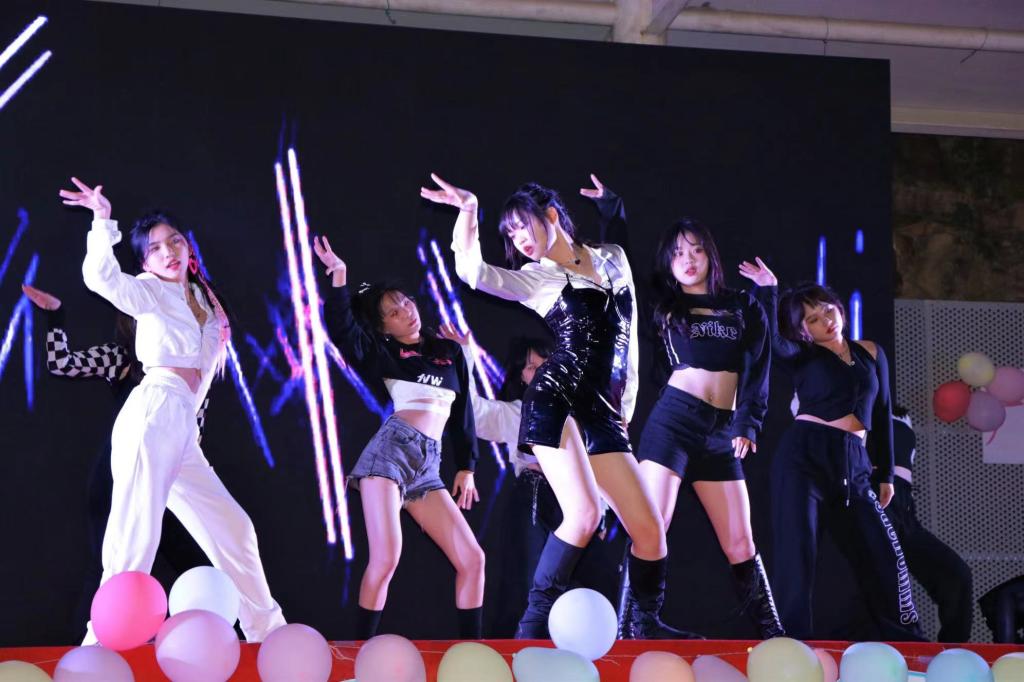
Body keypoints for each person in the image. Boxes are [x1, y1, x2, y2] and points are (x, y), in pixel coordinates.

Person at [423, 173, 685, 639]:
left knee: (650, 531)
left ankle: (644, 627)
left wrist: (624, 406)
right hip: (555, 398)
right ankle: (528, 631)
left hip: (603, 410)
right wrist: (468, 211)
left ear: (549, 215)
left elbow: (628, 346)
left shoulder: (613, 258)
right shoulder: (537, 279)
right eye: (510, 235)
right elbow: (474, 273)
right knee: (583, 516)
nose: (518, 240)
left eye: (521, 226)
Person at [60, 177, 285, 643]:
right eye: (156, 248)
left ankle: (268, 633)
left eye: (175, 241)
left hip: (182, 427)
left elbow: (205, 367)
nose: (168, 252)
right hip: (153, 413)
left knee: (234, 529)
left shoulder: (203, 299)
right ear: (145, 262)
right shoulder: (149, 291)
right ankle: (99, 643)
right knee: (135, 537)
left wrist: (188, 428)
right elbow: (102, 279)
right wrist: (102, 221)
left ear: (188, 246)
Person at [739, 257, 922, 640]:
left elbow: (883, 412)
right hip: (804, 456)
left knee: (883, 552)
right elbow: (771, 341)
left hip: (855, 462)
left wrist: (886, 474)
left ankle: (906, 639)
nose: (826, 320)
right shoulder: (802, 355)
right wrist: (769, 290)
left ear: (838, 307)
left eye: (827, 310)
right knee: (798, 554)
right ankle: (792, 643)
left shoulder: (871, 352)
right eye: (813, 319)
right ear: (802, 329)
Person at [314, 235, 485, 640]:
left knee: (473, 560)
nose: (405, 312)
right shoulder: (384, 353)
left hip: (429, 465)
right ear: (383, 326)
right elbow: (343, 331)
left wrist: (467, 466)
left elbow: (463, 410)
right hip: (391, 454)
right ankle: (360, 650)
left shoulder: (449, 351)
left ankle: (472, 649)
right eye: (392, 312)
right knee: (386, 558)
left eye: (405, 303)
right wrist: (339, 277)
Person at [23, 283, 209, 635]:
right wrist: (55, 316)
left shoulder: (195, 368)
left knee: (199, 565)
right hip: (120, 480)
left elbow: (194, 431)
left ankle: (210, 642)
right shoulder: (122, 358)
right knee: (110, 568)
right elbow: (62, 364)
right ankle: (87, 650)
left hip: (168, 482)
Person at [634, 219, 783, 638]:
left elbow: (760, 363)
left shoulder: (741, 304)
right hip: (674, 422)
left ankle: (773, 634)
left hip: (721, 432)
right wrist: (613, 211)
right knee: (651, 525)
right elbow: (620, 263)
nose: (688, 259)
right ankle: (639, 625)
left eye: (696, 249)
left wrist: (748, 422)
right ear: (668, 262)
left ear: (710, 255)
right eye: (678, 253)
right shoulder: (665, 304)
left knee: (740, 542)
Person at [884, 406, 973, 642]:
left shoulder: (902, 416)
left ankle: (953, 652)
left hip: (904, 509)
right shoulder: (848, 402)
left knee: (957, 576)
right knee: (884, 582)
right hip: (872, 500)